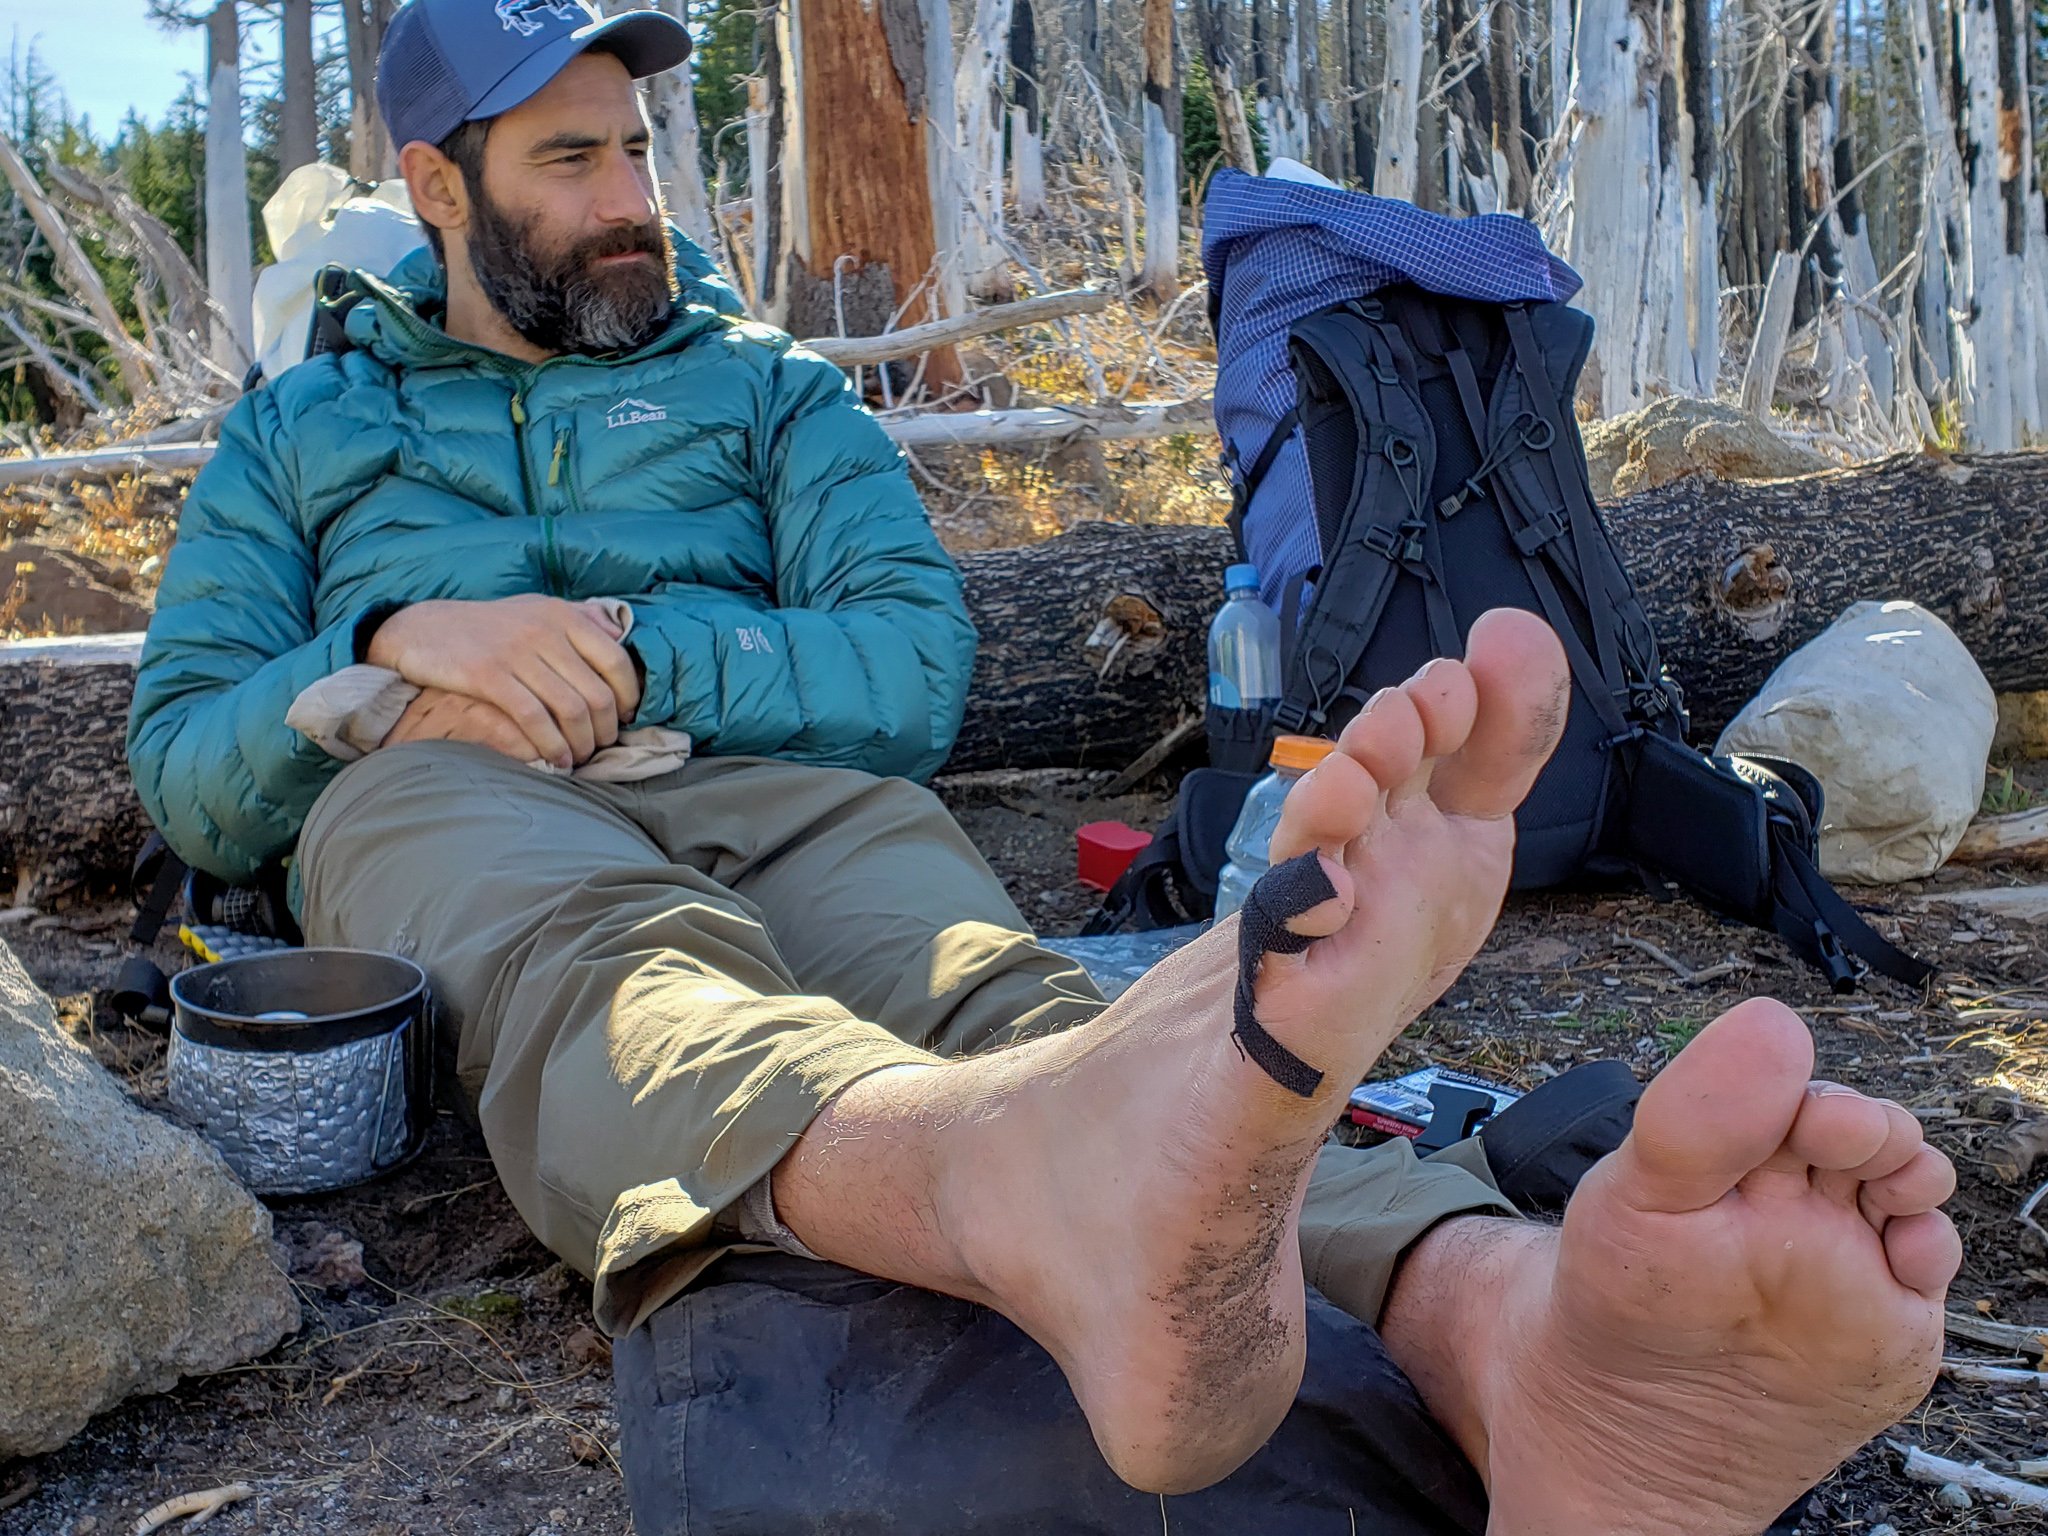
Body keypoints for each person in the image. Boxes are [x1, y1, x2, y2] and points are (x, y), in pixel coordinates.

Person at [127, 0, 1962, 1528]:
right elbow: (190, 763)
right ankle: (1015, 1191)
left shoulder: (766, 388)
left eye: (638, 149)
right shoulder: (303, 430)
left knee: (1018, 1007)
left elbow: (915, 667)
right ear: (438, 187)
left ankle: (1509, 1332)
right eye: (569, 160)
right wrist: (386, 648)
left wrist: (627, 647)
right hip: (447, 794)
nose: (634, 201)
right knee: (611, 976)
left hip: (781, 778)